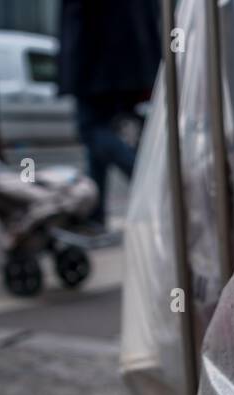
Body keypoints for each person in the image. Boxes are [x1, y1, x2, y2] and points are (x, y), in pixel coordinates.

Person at [58, 0, 161, 228]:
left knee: (91, 131)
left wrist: (69, 69)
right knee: (99, 141)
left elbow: (77, 16)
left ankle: (152, 185)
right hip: (129, 60)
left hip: (96, 62)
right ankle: (95, 215)